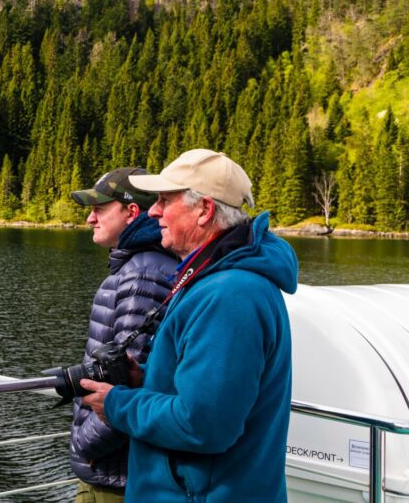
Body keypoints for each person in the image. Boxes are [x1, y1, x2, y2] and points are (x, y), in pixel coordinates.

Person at [79, 149, 298, 503]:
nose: (153, 211)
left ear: (204, 210)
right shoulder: (216, 280)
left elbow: (203, 425)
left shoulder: (230, 295)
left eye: (165, 200)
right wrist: (146, 378)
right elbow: (203, 389)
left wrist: (119, 404)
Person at [69, 167, 178, 503]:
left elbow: (132, 386)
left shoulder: (142, 274)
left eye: (99, 209)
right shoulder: (137, 267)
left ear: (131, 212)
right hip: (115, 470)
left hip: (115, 478)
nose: (90, 218)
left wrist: (84, 445)